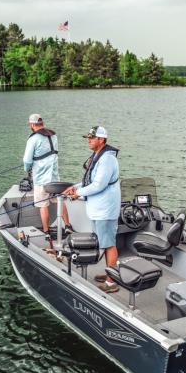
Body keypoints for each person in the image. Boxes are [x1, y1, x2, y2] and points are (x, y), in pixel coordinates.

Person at [63, 126, 121, 293]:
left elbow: (98, 185)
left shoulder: (107, 159)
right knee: (104, 242)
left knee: (109, 244)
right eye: (88, 137)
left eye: (92, 137)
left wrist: (77, 194)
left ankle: (112, 282)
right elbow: (90, 181)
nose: (88, 140)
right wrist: (73, 188)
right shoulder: (98, 156)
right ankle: (111, 274)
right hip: (98, 209)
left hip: (105, 210)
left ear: (101, 140)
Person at [22, 113, 71, 234]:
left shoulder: (33, 139)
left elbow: (27, 160)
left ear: (32, 125)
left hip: (41, 179)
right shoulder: (53, 136)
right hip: (54, 178)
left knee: (43, 205)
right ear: (42, 123)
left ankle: (46, 231)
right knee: (60, 201)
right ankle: (68, 225)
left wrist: (27, 168)